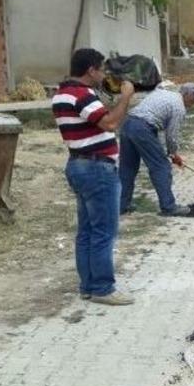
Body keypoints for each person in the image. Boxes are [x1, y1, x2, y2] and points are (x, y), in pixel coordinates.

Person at [53, 48, 135, 306]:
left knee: (87, 230)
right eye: (101, 69)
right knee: (103, 231)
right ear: (91, 70)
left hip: (78, 165)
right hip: (98, 168)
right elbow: (110, 123)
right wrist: (125, 98)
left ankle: (88, 286)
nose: (103, 74)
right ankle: (103, 288)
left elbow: (98, 118)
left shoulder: (62, 94)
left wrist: (110, 103)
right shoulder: (83, 95)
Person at [118, 83, 194, 216]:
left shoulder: (164, 93)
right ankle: (169, 207)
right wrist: (173, 154)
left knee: (127, 168)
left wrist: (170, 152)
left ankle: (121, 206)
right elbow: (171, 136)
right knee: (161, 167)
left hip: (128, 124)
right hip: (142, 128)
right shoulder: (178, 107)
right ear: (186, 94)